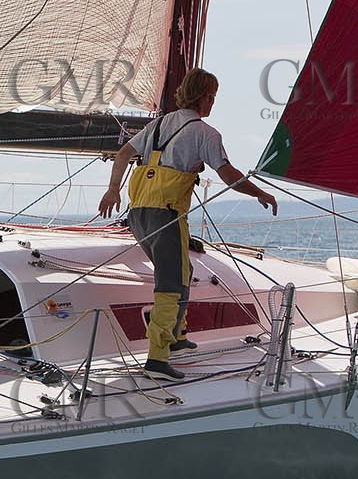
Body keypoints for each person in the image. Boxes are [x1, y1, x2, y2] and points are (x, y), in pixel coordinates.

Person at [97, 68, 277, 381]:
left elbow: (124, 153)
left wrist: (113, 189)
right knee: (172, 284)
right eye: (212, 96)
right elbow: (228, 174)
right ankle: (157, 359)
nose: (212, 102)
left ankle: (177, 337)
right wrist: (259, 192)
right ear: (203, 97)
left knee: (183, 273)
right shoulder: (205, 133)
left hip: (139, 214)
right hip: (167, 215)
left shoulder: (158, 125)